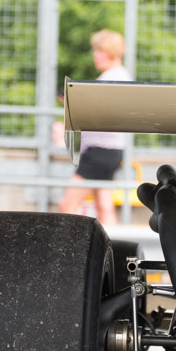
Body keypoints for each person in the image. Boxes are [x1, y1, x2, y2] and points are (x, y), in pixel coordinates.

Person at [58, 29, 131, 225]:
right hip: (108, 151)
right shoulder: (116, 76)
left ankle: (74, 248)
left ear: (111, 52)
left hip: (100, 152)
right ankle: (114, 250)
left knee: (67, 204)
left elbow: (101, 112)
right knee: (104, 207)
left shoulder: (115, 77)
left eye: (100, 51)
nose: (95, 56)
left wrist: (72, 104)